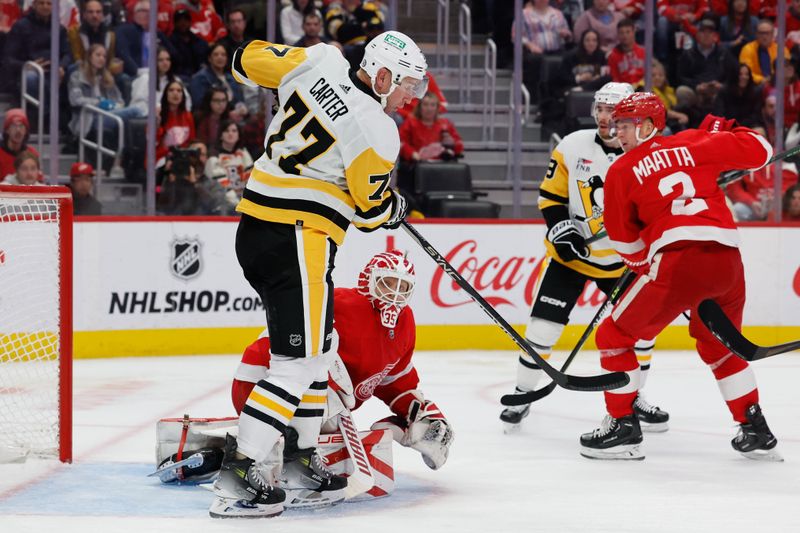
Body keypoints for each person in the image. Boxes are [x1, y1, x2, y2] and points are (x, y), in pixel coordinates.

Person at [209, 30, 425, 519]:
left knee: (322, 350)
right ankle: (241, 472)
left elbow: (244, 61)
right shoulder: (378, 127)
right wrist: (394, 207)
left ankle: (299, 461)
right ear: (384, 75)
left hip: (257, 226)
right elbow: (370, 212)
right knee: (299, 362)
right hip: (298, 235)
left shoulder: (320, 60)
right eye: (409, 84)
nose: (413, 95)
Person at [580, 92, 780, 461]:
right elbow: (762, 149)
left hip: (677, 260)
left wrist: (644, 268)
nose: (617, 133)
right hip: (727, 261)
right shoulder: (693, 141)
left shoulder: (622, 170)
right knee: (720, 345)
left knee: (614, 334)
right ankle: (754, 427)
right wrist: (724, 130)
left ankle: (622, 425)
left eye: (624, 125)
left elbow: (625, 241)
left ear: (647, 126)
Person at [499, 82, 667, 433]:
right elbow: (551, 197)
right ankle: (523, 393)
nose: (606, 117)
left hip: (625, 263)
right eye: (601, 109)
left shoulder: (648, 155)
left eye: (613, 111)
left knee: (642, 333)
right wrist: (562, 232)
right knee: (542, 329)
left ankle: (633, 397)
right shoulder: (572, 145)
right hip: (572, 258)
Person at [230, 251, 453, 505]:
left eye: (403, 286)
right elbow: (299, 353)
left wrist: (416, 413)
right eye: (388, 283)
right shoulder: (341, 303)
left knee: (331, 411)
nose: (395, 292)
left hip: (316, 400)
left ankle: (292, 458)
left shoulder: (405, 323)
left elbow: (395, 378)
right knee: (328, 409)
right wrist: (332, 387)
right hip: (265, 381)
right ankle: (261, 462)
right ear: (368, 280)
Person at [129, 46, 192, 117]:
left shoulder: (176, 80)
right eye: (160, 60)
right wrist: (156, 112)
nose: (165, 63)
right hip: (150, 118)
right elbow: (138, 105)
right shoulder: (145, 79)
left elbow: (187, 100)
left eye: (168, 59)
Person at [204, 119, 253, 208]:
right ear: (221, 135)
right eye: (226, 131)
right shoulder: (214, 158)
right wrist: (238, 205)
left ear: (238, 135)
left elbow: (251, 180)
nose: (230, 134)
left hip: (244, 203)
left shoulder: (244, 154)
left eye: (234, 131)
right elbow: (220, 186)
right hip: (222, 204)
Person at [189, 42, 244, 113]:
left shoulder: (231, 78)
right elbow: (199, 104)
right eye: (216, 54)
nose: (220, 57)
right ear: (209, 58)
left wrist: (241, 108)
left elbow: (240, 100)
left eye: (223, 55)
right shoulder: (200, 78)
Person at [739, 19, 790, 85]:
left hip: (777, 83)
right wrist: (762, 80)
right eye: (761, 33)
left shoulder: (781, 49)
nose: (764, 36)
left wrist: (773, 79)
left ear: (772, 34)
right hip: (755, 84)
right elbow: (746, 72)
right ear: (756, 34)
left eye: (767, 33)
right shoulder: (747, 49)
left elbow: (786, 71)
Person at [156, 79, 194, 166]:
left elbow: (191, 140)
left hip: (183, 157)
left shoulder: (188, 116)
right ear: (166, 94)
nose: (175, 93)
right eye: (171, 90)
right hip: (162, 157)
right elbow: (153, 142)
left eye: (179, 91)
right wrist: (157, 123)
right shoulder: (158, 115)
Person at [168, 8, 209, 80]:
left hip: (198, 76)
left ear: (190, 22)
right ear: (174, 23)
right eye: (179, 20)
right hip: (178, 77)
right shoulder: (170, 42)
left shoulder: (198, 41)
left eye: (186, 20)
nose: (183, 23)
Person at [0, 109, 39, 181]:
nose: (18, 130)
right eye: (14, 126)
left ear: (26, 131)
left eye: (21, 126)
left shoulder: (32, 153)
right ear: (7, 130)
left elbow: (38, 181)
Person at [607, 18, 645, 85]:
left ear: (633, 32)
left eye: (628, 32)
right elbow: (614, 79)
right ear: (618, 34)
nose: (625, 35)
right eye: (621, 33)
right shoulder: (612, 56)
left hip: (642, 90)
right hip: (623, 92)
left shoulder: (644, 52)